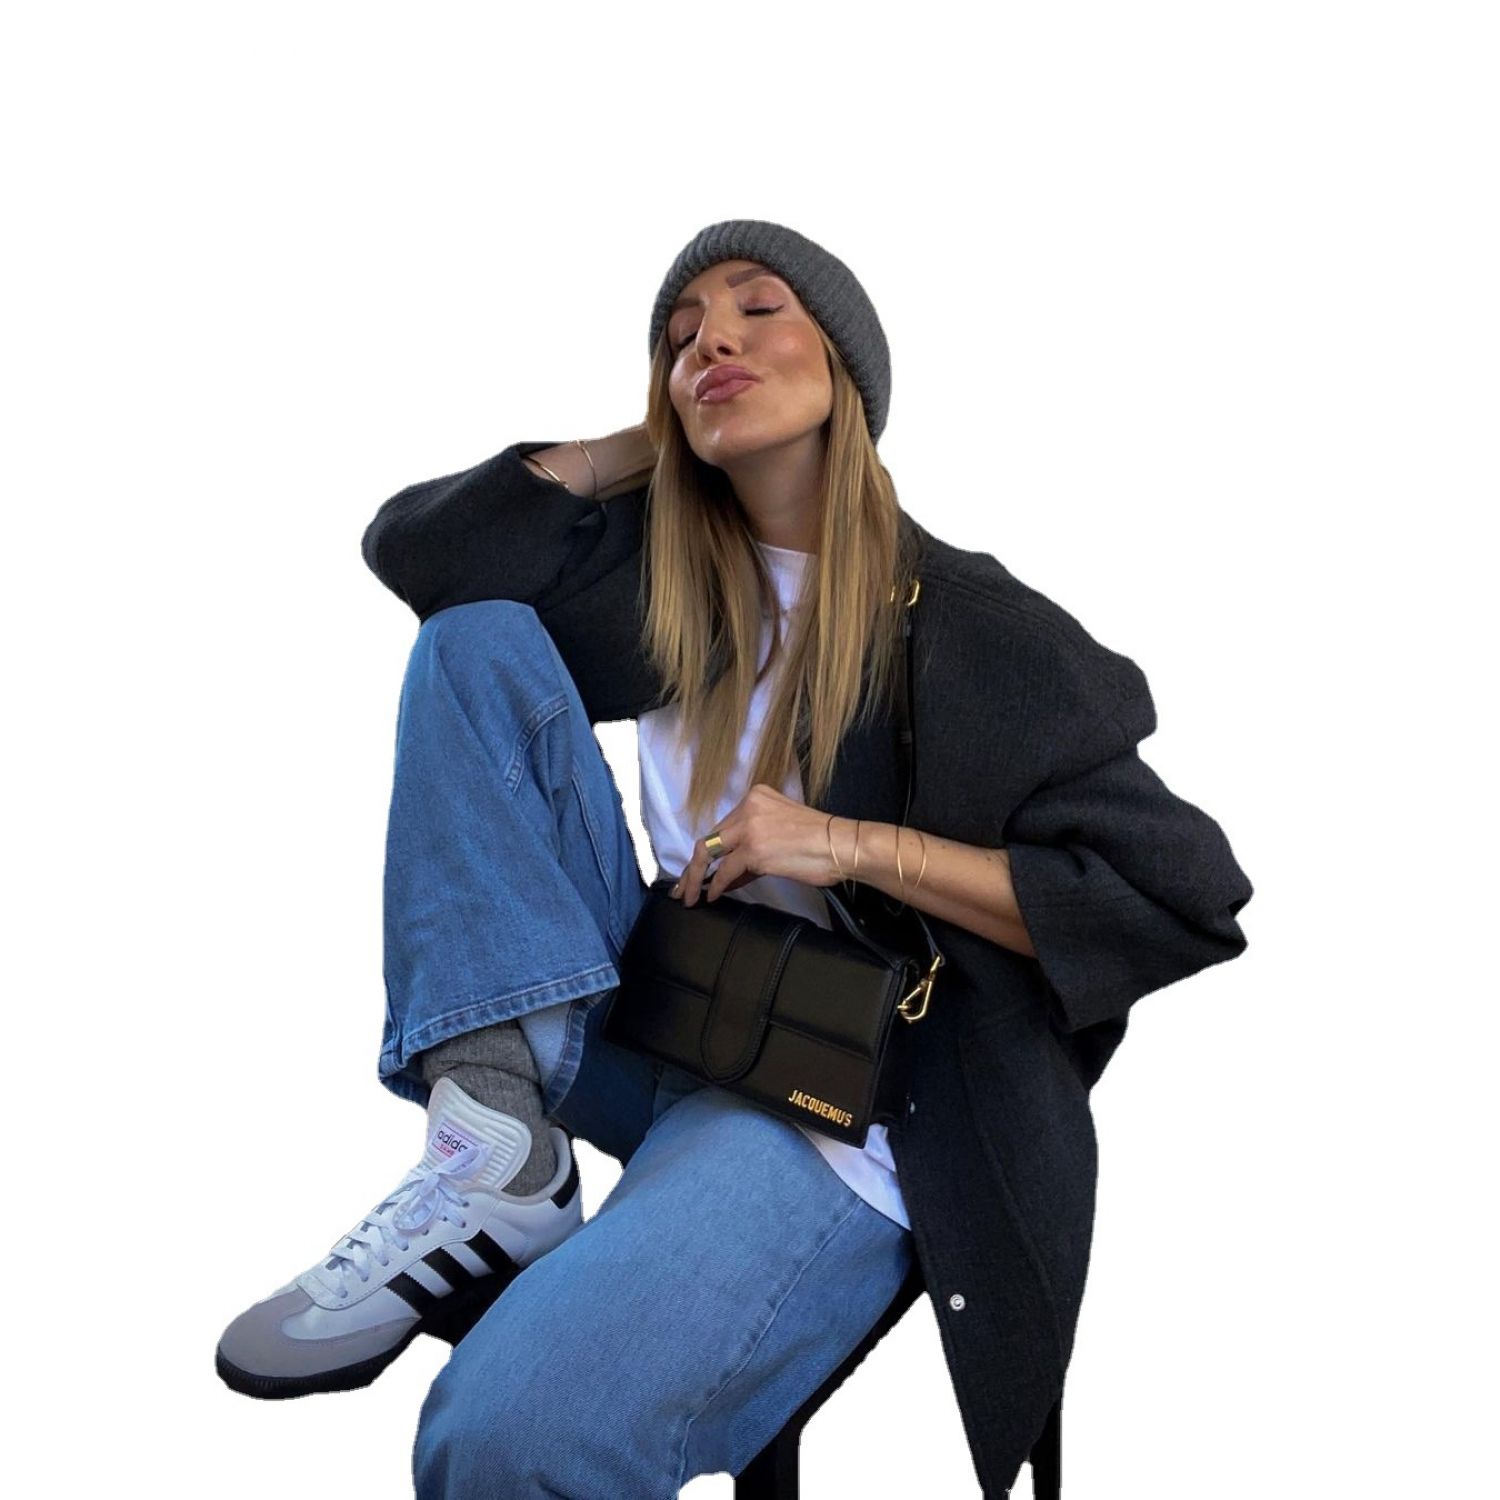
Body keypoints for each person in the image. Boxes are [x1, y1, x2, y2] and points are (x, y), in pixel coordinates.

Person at [216, 220, 1254, 1498]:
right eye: (682, 336)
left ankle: (547, 1206)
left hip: (839, 1109)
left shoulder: (974, 632)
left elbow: (1177, 898)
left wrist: (846, 846)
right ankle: (493, 1141)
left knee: (503, 1435)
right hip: (664, 1017)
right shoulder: (662, 588)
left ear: (846, 367)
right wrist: (650, 439)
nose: (714, 338)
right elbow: (426, 555)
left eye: (759, 310)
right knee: (472, 644)